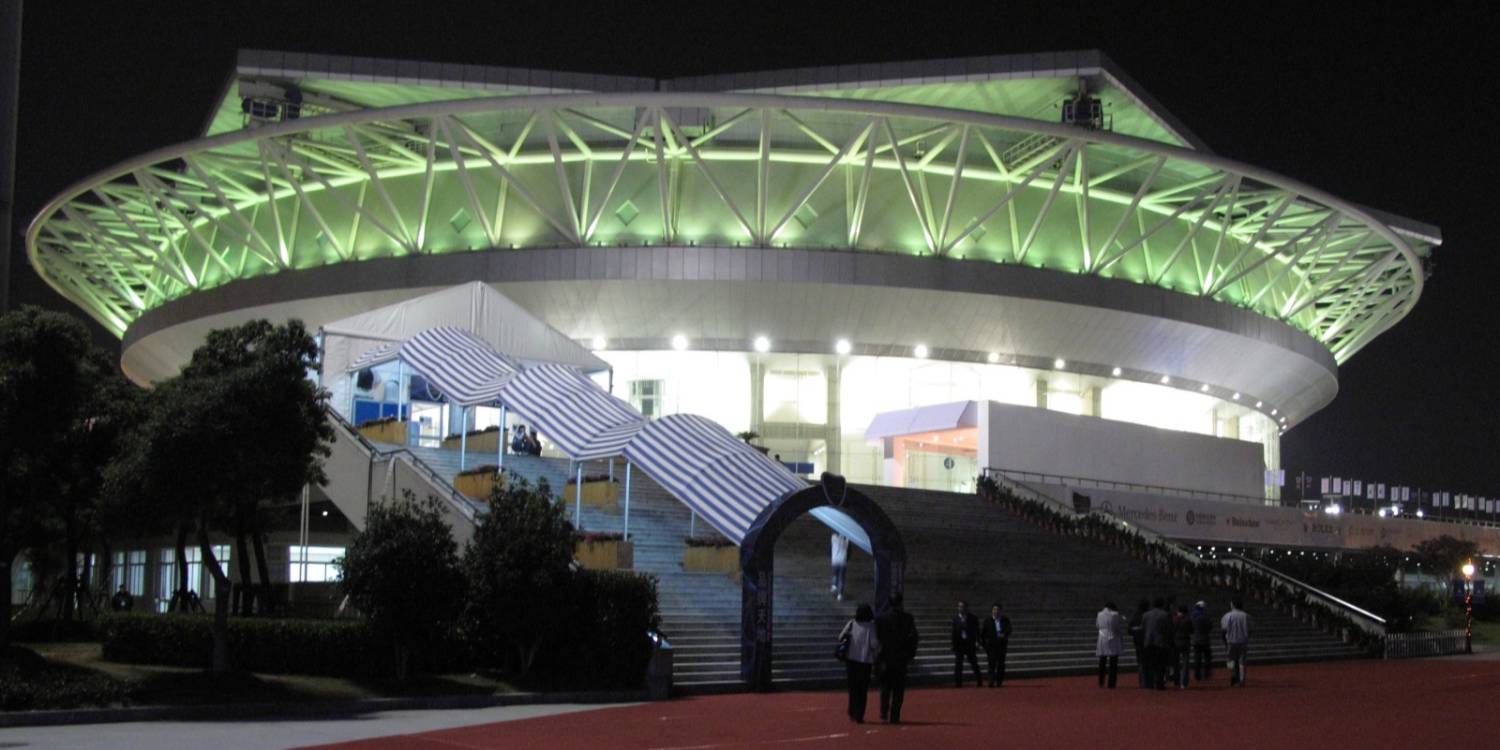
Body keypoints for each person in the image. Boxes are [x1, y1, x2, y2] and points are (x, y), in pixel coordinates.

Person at [875, 593, 919, 724]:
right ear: (900, 603)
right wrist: (910, 654)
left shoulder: (881, 618)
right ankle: (895, 715)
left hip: (886, 657)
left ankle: (883, 713)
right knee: (898, 689)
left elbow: (877, 638)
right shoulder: (908, 618)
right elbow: (914, 638)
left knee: (885, 688)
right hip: (901, 657)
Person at [840, 603, 880, 723]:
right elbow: (874, 644)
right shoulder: (871, 627)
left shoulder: (852, 623)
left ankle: (852, 711)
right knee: (862, 690)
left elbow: (840, 636)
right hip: (865, 661)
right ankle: (859, 714)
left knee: (853, 688)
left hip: (851, 660)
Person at [950, 599, 984, 687]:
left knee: (974, 663)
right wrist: (953, 645)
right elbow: (954, 632)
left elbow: (977, 631)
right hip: (959, 644)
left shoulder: (973, 618)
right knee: (958, 664)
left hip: (970, 643)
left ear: (967, 608)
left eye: (963, 607)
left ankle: (979, 680)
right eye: (960, 607)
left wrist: (977, 641)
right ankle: (958, 683)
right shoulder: (955, 619)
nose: (961, 608)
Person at [1141, 597, 1172, 690]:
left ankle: (1149, 683)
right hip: (1160, 642)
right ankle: (1159, 683)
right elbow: (1168, 629)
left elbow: (1143, 627)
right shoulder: (1165, 615)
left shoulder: (1145, 615)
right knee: (1160, 664)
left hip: (1148, 641)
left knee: (1150, 664)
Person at [979, 602, 1012, 687]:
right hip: (991, 647)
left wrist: (1004, 634)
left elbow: (1009, 629)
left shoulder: (1005, 620)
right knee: (991, 665)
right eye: (994, 609)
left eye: (997, 610)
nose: (996, 611)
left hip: (1001, 646)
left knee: (1001, 665)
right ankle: (991, 681)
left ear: (1000, 611)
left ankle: (999, 681)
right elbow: (983, 634)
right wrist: (984, 645)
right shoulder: (987, 620)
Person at [1221, 597, 1252, 687]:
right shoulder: (1246, 616)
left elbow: (1224, 630)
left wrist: (1224, 641)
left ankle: (1234, 676)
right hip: (1243, 641)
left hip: (1231, 640)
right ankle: (1242, 680)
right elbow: (1251, 629)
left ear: (1232, 605)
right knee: (1242, 661)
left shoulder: (1227, 616)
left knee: (1231, 660)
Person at [1096, 601, 1125, 688]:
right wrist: (1120, 635)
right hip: (1112, 637)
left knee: (1102, 660)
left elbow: (1097, 626)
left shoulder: (1099, 614)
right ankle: (1111, 683)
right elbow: (1115, 627)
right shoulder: (1114, 615)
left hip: (1102, 636)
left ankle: (1101, 681)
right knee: (1113, 661)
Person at [1190, 600, 1213, 681]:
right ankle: (1206, 673)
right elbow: (1210, 626)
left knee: (1197, 658)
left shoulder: (1193, 616)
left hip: (1196, 639)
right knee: (1207, 657)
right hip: (1205, 639)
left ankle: (1197, 674)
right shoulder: (1205, 616)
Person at [1128, 599, 1149, 687]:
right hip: (1146, 640)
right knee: (1147, 662)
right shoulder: (1147, 615)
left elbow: (1129, 630)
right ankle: (1147, 681)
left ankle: (1142, 681)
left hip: (1137, 641)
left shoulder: (1135, 616)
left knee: (1140, 662)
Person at [1172, 605, 1194, 688]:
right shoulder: (1188, 620)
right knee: (1185, 662)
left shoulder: (1175, 619)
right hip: (1185, 641)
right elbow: (1192, 630)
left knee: (1176, 662)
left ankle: (1176, 680)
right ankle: (1183, 682)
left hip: (1176, 641)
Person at [830, 533, 849, 600]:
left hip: (835, 560)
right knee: (841, 579)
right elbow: (849, 551)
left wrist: (832, 557)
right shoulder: (847, 538)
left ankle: (834, 585)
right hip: (843, 561)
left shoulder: (833, 537)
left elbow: (830, 548)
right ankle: (840, 595)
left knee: (835, 575)